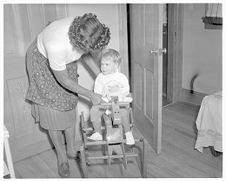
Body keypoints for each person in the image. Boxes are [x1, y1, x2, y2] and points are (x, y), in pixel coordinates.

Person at [25, 13, 110, 178]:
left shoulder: (87, 28)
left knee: (69, 103)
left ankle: (71, 149)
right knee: (52, 112)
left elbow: (87, 55)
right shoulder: (57, 46)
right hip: (41, 62)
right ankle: (62, 156)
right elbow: (64, 81)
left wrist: (102, 77)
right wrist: (91, 95)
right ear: (79, 43)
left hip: (63, 59)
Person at [87, 49, 135, 145]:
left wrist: (120, 92)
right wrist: (103, 95)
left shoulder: (121, 77)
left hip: (118, 102)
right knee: (94, 110)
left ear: (116, 65)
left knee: (124, 112)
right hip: (104, 103)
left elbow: (126, 89)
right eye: (102, 64)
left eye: (107, 65)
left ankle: (128, 133)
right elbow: (97, 92)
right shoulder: (100, 77)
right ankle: (98, 133)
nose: (103, 67)